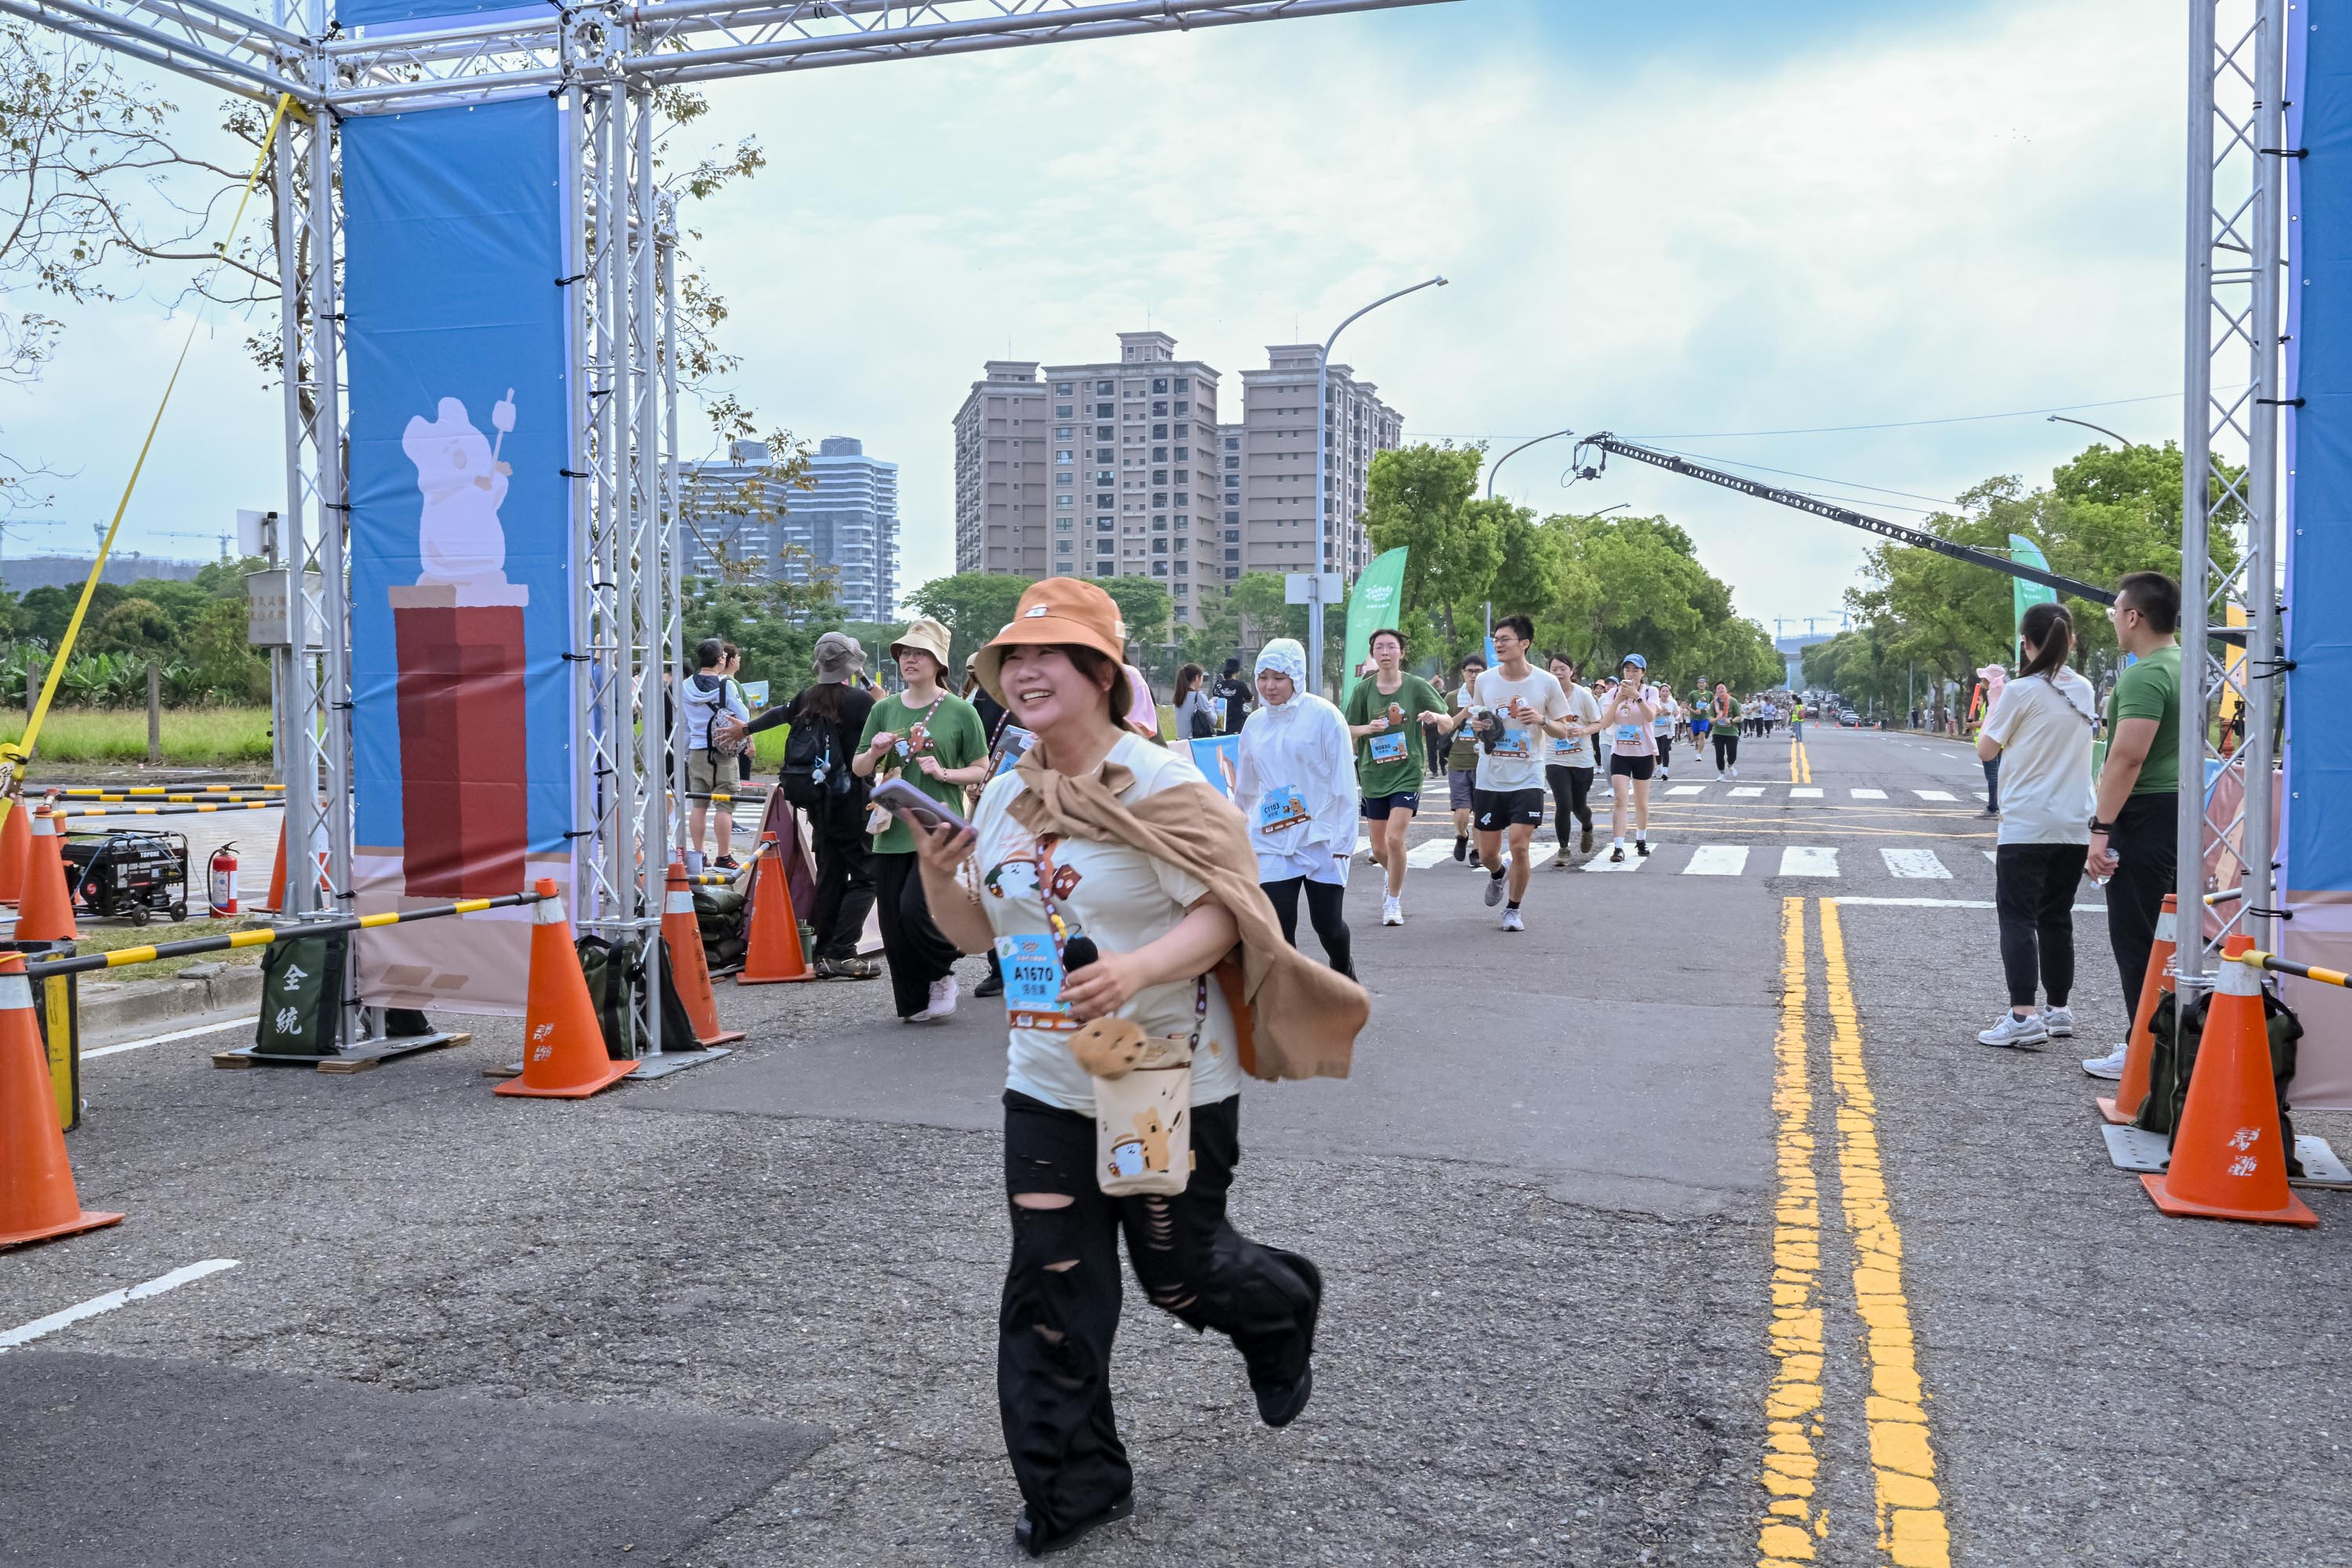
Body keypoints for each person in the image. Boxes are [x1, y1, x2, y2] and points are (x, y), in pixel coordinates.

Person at [904, 576, 1362, 1556]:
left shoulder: (1166, 784)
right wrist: (940, 879)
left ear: (1102, 673)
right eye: (1013, 659)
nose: (1025, 672)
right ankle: (1075, 1486)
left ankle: (1280, 1310)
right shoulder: (1006, 795)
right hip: (1047, 1076)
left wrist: (1135, 969)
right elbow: (981, 932)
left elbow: (1227, 911)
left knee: (1179, 1272)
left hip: (1164, 1073)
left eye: (1049, 655)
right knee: (1051, 1279)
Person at [853, 618, 990, 1022]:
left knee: (913, 909)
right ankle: (914, 1000)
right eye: (905, 653)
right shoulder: (883, 708)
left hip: (938, 829)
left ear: (938, 662)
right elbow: (859, 767)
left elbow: (981, 768)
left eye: (920, 653)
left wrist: (943, 773)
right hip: (891, 827)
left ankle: (943, 969)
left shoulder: (961, 711)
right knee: (893, 922)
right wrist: (875, 752)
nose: (909, 660)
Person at [1974, 602, 2097, 1048]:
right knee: (2057, 917)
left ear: (2024, 644)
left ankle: (2023, 1015)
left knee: (2017, 917)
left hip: (2028, 822)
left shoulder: (2020, 691)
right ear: (2071, 640)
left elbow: (1987, 749)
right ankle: (2058, 1010)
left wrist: (1994, 698)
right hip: (2075, 821)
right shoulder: (2084, 688)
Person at [724, 632, 878, 979]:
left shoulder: (807, 697)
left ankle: (823, 952)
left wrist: (745, 729)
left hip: (818, 802)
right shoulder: (860, 701)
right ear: (851, 666)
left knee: (830, 875)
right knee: (868, 876)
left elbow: (779, 714)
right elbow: (886, 728)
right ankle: (842, 952)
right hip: (854, 801)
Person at [2081, 572, 2183, 1080]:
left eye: (2115, 612)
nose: (2114, 621)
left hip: (2142, 815)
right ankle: (2159, 1045)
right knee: (2163, 936)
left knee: (2136, 937)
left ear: (2134, 617)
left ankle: (2143, 1050)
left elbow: (2126, 758)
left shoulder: (2145, 675)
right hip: (2176, 809)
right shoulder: (2185, 663)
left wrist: (2101, 829)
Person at [1236, 639, 1356, 975]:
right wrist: (1236, 831)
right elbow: (1246, 786)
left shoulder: (1325, 717)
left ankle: (1343, 973)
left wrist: (1344, 839)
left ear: (1297, 677)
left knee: (1328, 926)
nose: (1269, 686)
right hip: (1272, 836)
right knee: (1278, 927)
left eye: (1279, 677)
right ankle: (1296, 994)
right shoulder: (1254, 724)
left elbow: (1344, 781)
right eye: (1263, 677)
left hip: (1321, 834)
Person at [1464, 615, 1572, 931]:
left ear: (1524, 644)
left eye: (1505, 639)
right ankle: (1499, 873)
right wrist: (1479, 726)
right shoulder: (1485, 680)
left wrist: (1541, 719)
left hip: (1528, 775)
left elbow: (1563, 730)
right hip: (1491, 776)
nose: (1498, 644)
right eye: (1496, 639)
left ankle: (1513, 909)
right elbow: (1478, 721)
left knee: (1520, 846)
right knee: (1487, 854)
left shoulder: (1546, 682)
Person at [1344, 628, 1446, 926]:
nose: (1385, 652)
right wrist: (1368, 728)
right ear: (1373, 654)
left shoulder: (1416, 686)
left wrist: (1435, 717)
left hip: (1407, 773)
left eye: (1391, 647)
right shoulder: (1363, 690)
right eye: (1379, 647)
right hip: (1373, 775)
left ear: (1402, 652)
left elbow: (1447, 720)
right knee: (1378, 849)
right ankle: (1395, 875)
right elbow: (1347, 729)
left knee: (1393, 838)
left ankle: (1393, 901)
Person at [681, 637, 750, 869]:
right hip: (723, 751)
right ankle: (723, 856)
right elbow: (744, 716)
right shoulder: (726, 685)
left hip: (696, 750)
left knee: (699, 805)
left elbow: (683, 722)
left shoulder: (686, 685)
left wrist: (686, 751)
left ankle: (698, 855)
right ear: (721, 659)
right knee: (724, 805)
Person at [1599, 655, 1661, 862]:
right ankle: (1618, 846)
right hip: (1620, 753)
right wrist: (1618, 698)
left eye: (1636, 670)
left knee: (1641, 802)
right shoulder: (1613, 693)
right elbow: (1605, 722)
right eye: (1627, 669)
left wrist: (1637, 697)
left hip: (1644, 753)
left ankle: (1641, 839)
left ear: (1643, 673)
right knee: (1620, 799)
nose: (1631, 674)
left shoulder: (1650, 692)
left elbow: (1650, 716)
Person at [1544, 654, 1601, 864]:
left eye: (1563, 669)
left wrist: (1582, 731)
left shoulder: (1583, 695)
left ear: (1571, 671)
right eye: (1554, 669)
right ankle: (1564, 849)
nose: (1559, 673)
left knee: (1579, 807)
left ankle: (1587, 826)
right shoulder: (1545, 696)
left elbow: (1599, 723)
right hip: (1555, 758)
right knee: (1563, 803)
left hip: (1581, 759)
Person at [1442, 654, 1487, 863]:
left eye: (1478, 671)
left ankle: (1476, 850)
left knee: (1480, 810)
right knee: (1461, 810)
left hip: (1484, 761)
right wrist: (1464, 714)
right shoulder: (1452, 698)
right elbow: (1443, 728)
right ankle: (1462, 835)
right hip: (1458, 761)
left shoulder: (1489, 695)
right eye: (1470, 671)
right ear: (1463, 673)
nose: (1474, 675)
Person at [1172, 662, 1217, 741]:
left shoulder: (1178, 697)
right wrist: (1211, 706)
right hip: (1195, 743)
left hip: (1181, 742)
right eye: (1202, 677)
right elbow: (1214, 721)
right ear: (1197, 677)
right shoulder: (1199, 696)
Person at [1213, 655, 1252, 735]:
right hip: (1236, 725)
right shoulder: (1240, 685)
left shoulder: (1218, 686)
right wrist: (1242, 700)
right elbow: (1249, 698)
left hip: (1221, 724)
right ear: (1237, 672)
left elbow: (1215, 699)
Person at [1710, 683, 1740, 779]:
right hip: (1718, 732)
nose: (1721, 690)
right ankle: (1721, 773)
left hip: (1732, 732)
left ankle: (1730, 765)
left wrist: (1731, 721)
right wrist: (1717, 719)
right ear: (1716, 691)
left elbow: (1739, 716)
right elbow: (1710, 719)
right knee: (1719, 754)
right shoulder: (1713, 703)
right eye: (1718, 688)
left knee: (1732, 753)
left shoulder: (1733, 701)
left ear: (1726, 689)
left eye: (1722, 688)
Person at [1651, 681, 1678, 782]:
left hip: (1669, 729)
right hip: (1657, 729)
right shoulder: (1655, 702)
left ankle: (1665, 771)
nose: (1665, 693)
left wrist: (1672, 713)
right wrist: (1660, 712)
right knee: (1658, 750)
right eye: (1663, 691)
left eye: (1667, 691)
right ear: (1659, 692)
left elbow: (1677, 712)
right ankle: (1659, 768)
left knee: (1665, 749)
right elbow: (1651, 715)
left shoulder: (1673, 702)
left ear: (1670, 693)